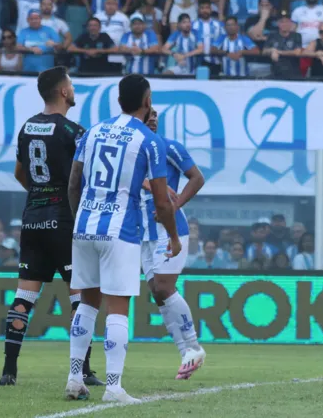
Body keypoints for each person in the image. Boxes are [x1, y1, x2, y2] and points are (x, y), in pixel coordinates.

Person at [64, 74, 179, 404]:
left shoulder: (93, 131)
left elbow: (74, 183)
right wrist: (173, 236)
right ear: (147, 102)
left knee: (87, 303)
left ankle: (74, 378)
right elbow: (160, 201)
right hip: (121, 230)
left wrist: (80, 220)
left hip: (85, 224)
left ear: (118, 100)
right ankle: (113, 387)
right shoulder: (148, 139)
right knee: (117, 308)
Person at [0, 68, 98, 387]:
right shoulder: (73, 131)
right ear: (63, 92)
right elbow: (85, 179)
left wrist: (40, 194)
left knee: (24, 296)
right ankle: (82, 371)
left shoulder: (27, 127)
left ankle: (8, 372)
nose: (73, 88)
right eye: (70, 84)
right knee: (79, 298)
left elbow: (18, 173)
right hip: (65, 220)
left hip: (33, 218)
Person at [140, 109, 206, 379]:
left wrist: (175, 203)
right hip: (141, 232)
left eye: (155, 114)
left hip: (169, 228)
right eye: (148, 113)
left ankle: (194, 347)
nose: (153, 117)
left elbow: (197, 178)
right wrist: (147, 185)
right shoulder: (131, 151)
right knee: (157, 291)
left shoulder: (168, 147)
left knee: (165, 287)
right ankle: (185, 354)